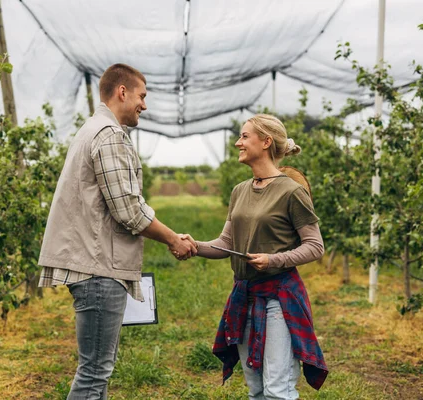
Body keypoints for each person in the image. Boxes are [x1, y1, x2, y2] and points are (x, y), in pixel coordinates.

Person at [38, 63, 196, 400]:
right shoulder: (108, 136)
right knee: (95, 372)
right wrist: (172, 239)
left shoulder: (93, 129)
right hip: (97, 268)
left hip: (93, 264)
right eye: (142, 95)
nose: (144, 104)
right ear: (122, 92)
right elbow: (128, 210)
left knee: (96, 369)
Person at [180, 114, 328, 400]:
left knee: (277, 389)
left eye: (245, 136)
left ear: (266, 141)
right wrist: (193, 245)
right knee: (256, 388)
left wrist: (274, 260)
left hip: (279, 297)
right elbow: (225, 243)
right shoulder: (239, 191)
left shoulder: (291, 191)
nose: (238, 142)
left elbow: (314, 245)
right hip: (245, 295)